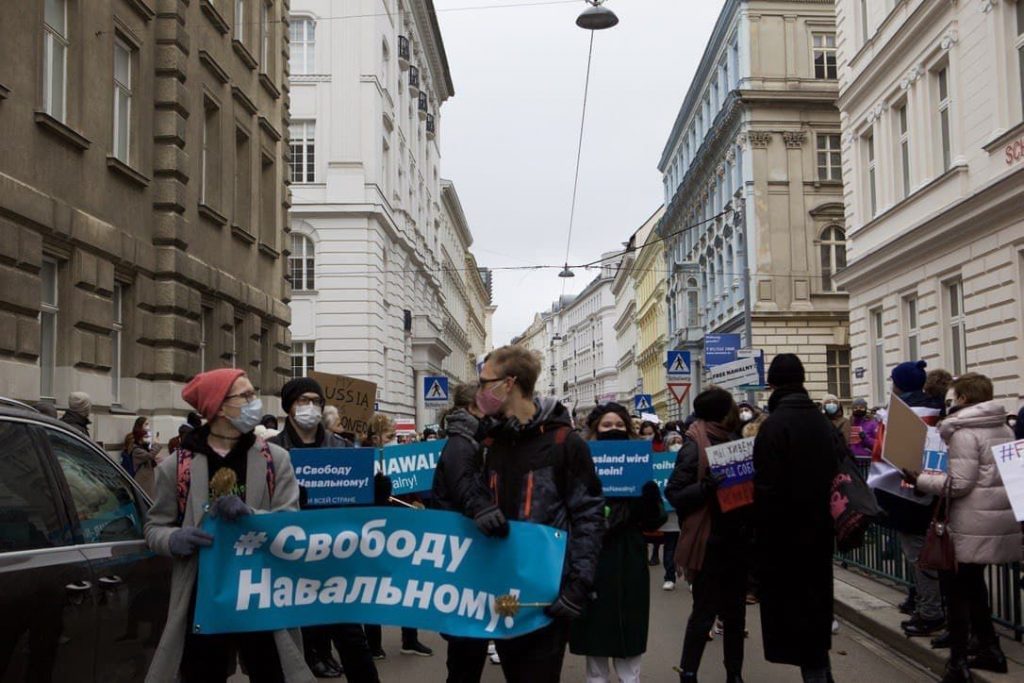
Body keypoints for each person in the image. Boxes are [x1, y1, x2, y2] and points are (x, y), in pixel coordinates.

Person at [143, 368, 312, 683]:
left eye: (253, 394)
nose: (255, 402)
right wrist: (173, 538)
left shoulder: (276, 460)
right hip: (203, 594)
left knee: (272, 671)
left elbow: (291, 523)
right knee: (202, 673)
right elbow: (154, 527)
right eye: (245, 396)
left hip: (260, 591)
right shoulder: (176, 467)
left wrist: (250, 514)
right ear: (219, 406)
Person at [477, 345, 605, 682]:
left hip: (548, 595)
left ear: (509, 383)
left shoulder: (564, 442)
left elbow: (589, 516)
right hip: (503, 590)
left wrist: (577, 586)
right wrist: (479, 507)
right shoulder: (492, 442)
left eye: (484, 382)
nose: (480, 391)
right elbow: (473, 494)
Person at [907, 373, 1022, 683]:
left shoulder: (964, 434)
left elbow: (959, 484)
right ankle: (991, 650)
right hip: (994, 522)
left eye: (954, 396)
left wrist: (919, 479)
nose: (951, 401)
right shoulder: (1002, 428)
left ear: (965, 399)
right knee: (974, 587)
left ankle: (958, 663)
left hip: (968, 523)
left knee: (956, 592)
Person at [268, 378, 378, 682]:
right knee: (294, 647)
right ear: (289, 406)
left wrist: (375, 493)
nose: (311, 407)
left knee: (353, 641)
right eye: (303, 400)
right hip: (290, 562)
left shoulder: (342, 447)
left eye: (316, 401)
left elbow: (359, 510)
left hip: (335, 562)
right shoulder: (271, 452)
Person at [752, 354, 839, 683]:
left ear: (772, 383)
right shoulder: (820, 421)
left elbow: (766, 488)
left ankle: (818, 678)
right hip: (819, 532)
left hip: (784, 538)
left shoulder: (774, 425)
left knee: (797, 617)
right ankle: (822, 675)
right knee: (815, 613)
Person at [570, 403, 665, 683]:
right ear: (596, 430)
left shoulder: (640, 468)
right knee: (596, 634)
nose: (614, 430)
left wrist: (647, 497)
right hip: (593, 559)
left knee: (629, 630)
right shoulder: (582, 465)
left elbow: (654, 521)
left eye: (619, 425)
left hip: (629, 559)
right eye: (607, 426)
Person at [667, 388, 750, 683]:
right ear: (721, 411)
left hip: (736, 541)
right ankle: (689, 673)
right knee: (703, 614)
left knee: (736, 615)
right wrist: (706, 488)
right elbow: (674, 493)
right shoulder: (693, 445)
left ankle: (735, 674)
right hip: (709, 541)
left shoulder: (736, 441)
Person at [430, 382, 507, 683]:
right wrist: (487, 511)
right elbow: (465, 491)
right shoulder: (462, 444)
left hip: (464, 554)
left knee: (467, 651)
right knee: (465, 650)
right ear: (471, 407)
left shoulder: (468, 439)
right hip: (462, 555)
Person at [874, 360, 946, 637]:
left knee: (920, 557)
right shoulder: (937, 410)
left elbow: (883, 456)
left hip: (907, 495)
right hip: (934, 490)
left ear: (899, 384)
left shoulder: (897, 415)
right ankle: (928, 606)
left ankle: (931, 612)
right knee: (933, 555)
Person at [362, 414, 433, 659]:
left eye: (396, 436)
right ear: (375, 438)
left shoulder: (403, 459)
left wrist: (417, 502)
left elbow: (412, 486)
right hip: (374, 531)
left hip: (403, 528)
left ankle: (410, 639)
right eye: (390, 436)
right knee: (372, 588)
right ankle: (373, 645)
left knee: (408, 585)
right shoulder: (362, 461)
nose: (395, 441)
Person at [659, 430, 683, 591]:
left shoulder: (688, 460)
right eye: (673, 442)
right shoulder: (659, 462)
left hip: (685, 511)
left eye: (679, 442)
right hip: (669, 514)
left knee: (689, 547)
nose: (677, 445)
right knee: (669, 547)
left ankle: (691, 580)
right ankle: (669, 576)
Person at [125, 416, 161, 497]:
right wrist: (157, 444)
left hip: (147, 483)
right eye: (146, 424)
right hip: (142, 484)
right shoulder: (136, 449)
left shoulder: (143, 447)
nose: (148, 427)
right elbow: (150, 456)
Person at [848, 398, 878, 464]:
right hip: (852, 461)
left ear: (865, 408)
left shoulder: (872, 423)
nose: (858, 410)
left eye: (861, 407)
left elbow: (878, 444)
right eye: (855, 408)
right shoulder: (849, 423)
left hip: (866, 461)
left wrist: (865, 438)